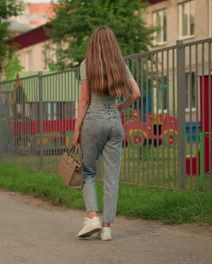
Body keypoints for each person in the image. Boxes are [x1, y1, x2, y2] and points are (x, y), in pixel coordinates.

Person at [72, 26, 141, 241]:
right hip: (114, 120)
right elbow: (136, 93)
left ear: (93, 43)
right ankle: (107, 228)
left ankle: (92, 217)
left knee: (88, 172)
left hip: (93, 119)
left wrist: (76, 129)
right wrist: (119, 107)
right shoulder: (120, 65)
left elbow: (84, 100)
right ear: (113, 43)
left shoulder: (87, 65)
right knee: (112, 177)